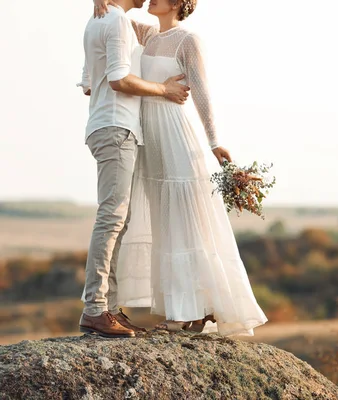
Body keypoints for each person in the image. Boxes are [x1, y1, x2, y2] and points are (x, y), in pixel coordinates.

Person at [94, 0, 268, 336]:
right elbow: (111, 15)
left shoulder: (189, 40)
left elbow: (202, 92)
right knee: (164, 224)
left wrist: (215, 142)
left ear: (177, 3)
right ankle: (190, 310)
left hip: (175, 135)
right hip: (149, 139)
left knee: (184, 223)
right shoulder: (144, 34)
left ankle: (188, 312)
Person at [78, 0, 190, 338]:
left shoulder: (99, 20)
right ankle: (96, 309)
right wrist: (164, 90)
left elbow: (88, 84)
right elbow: (118, 80)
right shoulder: (114, 22)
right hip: (116, 129)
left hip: (109, 126)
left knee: (118, 219)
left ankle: (108, 308)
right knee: (112, 217)